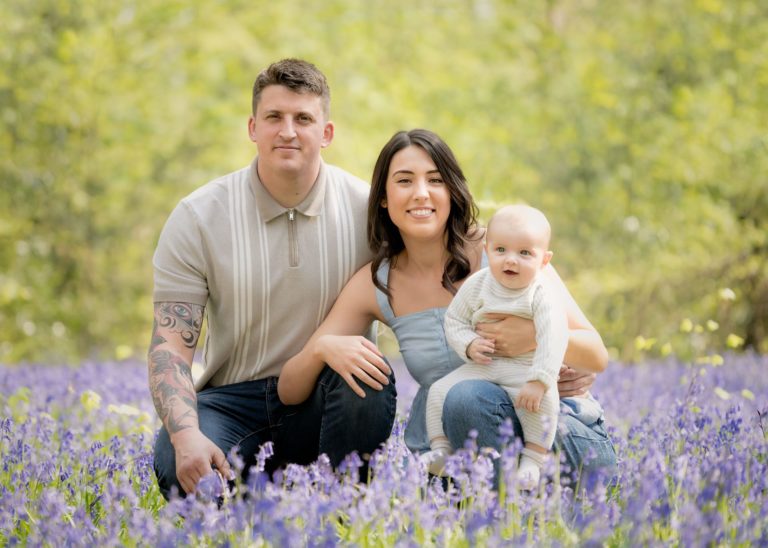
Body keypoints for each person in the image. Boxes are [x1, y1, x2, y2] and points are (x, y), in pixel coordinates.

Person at [278, 129, 617, 487]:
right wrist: (321, 347)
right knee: (465, 398)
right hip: (458, 456)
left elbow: (596, 354)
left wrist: (536, 339)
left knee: (469, 397)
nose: (421, 193)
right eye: (404, 181)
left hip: (553, 439)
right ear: (383, 198)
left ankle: (512, 508)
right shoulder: (377, 282)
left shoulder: (504, 252)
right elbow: (289, 389)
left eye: (435, 180)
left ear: (452, 191)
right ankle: (501, 514)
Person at [148, 58, 396, 500]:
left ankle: (343, 508)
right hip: (231, 401)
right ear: (252, 127)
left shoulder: (370, 212)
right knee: (175, 459)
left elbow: (445, 270)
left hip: (326, 394)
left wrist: (536, 348)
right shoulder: (198, 216)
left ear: (327, 133)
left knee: (370, 377)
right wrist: (186, 437)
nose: (288, 131)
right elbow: (170, 346)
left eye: (304, 118)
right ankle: (246, 499)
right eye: (274, 117)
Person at [424, 204, 570, 490]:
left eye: (525, 253)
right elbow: (454, 320)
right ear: (487, 250)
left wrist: (540, 380)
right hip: (484, 365)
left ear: (544, 260)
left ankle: (534, 459)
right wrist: (468, 344)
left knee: (543, 403)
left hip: (525, 367)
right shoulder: (478, 284)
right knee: (440, 390)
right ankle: (442, 449)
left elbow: (554, 337)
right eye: (501, 250)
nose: (510, 261)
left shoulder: (541, 293)